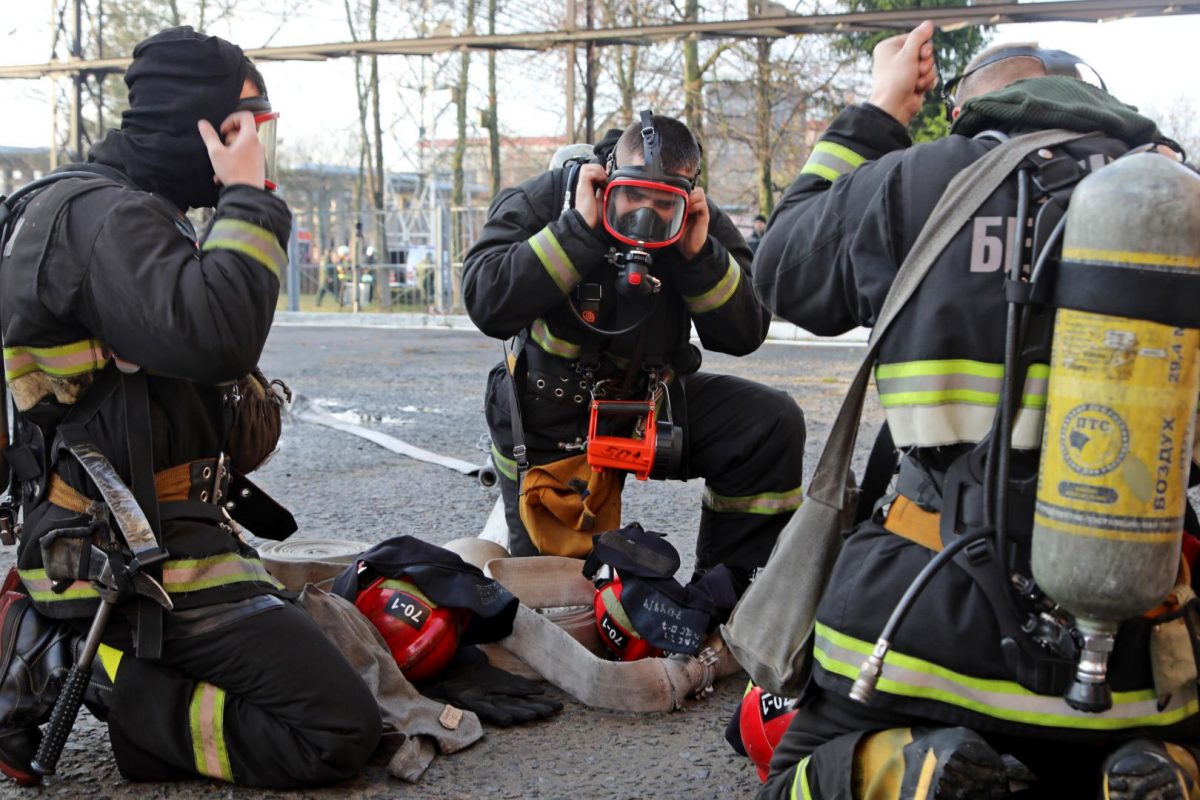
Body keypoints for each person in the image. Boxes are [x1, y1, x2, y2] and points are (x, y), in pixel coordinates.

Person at [752, 22, 1197, 799]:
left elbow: (783, 267)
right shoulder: (1178, 210)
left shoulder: (916, 180)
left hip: (923, 633)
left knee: (794, 775)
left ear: (969, 115)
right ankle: (1174, 771)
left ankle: (910, 771)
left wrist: (877, 112)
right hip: (1132, 658)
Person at [0, 27, 380, 788]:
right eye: (246, 129)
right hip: (130, 561)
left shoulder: (102, 210)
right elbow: (220, 339)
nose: (257, 147)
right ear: (202, 125)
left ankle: (65, 646)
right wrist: (250, 196)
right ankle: (83, 665)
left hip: (135, 534)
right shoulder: (110, 222)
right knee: (334, 729)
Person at [462, 112, 806, 592]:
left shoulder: (694, 220)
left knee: (770, 424)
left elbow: (745, 332)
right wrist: (579, 231)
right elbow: (485, 301)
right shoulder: (551, 199)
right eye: (632, 198)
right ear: (608, 181)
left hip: (646, 407)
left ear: (688, 194)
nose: (646, 215)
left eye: (663, 204)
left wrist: (698, 257)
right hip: (549, 419)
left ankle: (726, 596)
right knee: (559, 601)